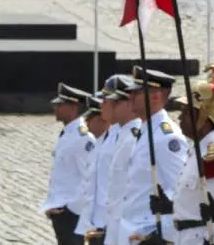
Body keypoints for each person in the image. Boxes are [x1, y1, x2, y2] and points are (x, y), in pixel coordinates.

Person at [154, 71, 214, 244]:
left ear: (202, 117)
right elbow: (195, 205)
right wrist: (170, 206)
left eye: (186, 112)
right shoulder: (196, 149)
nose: (179, 117)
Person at [120, 67, 189, 244]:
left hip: (149, 233)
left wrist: (161, 237)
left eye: (136, 93)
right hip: (133, 231)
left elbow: (178, 189)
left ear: (156, 97)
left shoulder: (166, 137)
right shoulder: (146, 130)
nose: (130, 97)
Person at [40, 83, 95, 245]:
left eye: (60, 105)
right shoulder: (67, 133)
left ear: (73, 107)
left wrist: (70, 210)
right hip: (60, 211)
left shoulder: (82, 138)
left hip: (72, 215)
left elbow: (89, 178)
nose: (54, 108)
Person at [102, 75, 142, 245]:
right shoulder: (119, 133)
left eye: (115, 102)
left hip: (128, 228)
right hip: (114, 226)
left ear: (129, 103)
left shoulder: (135, 137)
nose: (110, 106)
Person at [74, 92, 115, 245]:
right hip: (95, 222)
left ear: (101, 120)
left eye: (90, 119)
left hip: (106, 224)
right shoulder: (100, 143)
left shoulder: (113, 143)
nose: (86, 123)